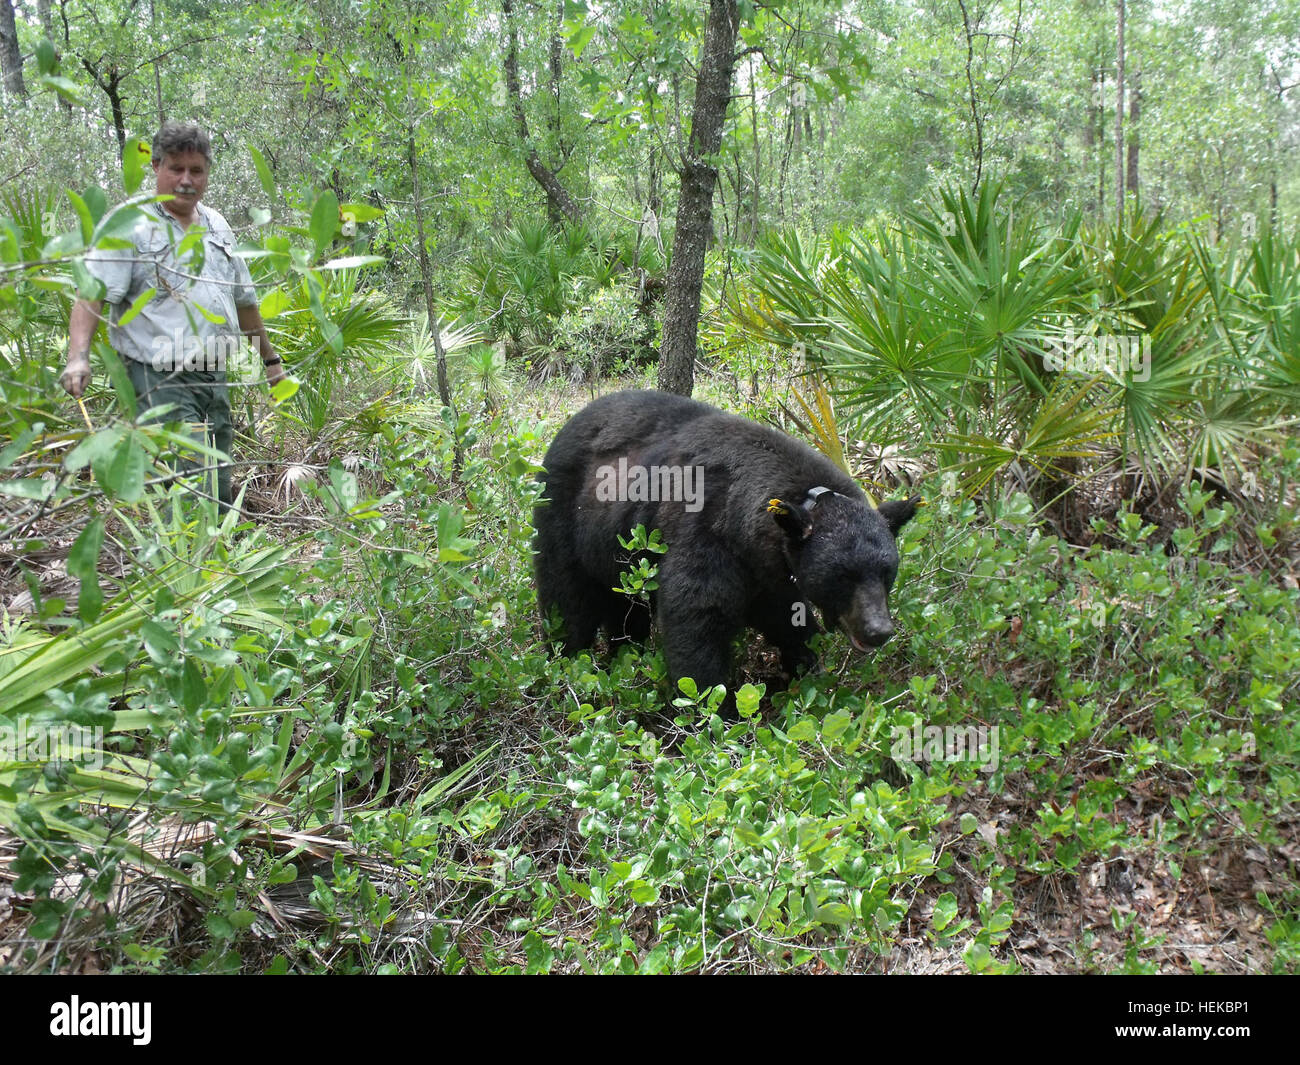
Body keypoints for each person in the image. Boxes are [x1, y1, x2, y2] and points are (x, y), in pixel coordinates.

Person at [61, 120, 285, 514]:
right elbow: (92, 292)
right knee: (185, 483)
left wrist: (270, 362)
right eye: (175, 169)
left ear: (207, 173)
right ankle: (184, 568)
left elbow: (244, 301)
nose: (186, 180)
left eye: (196, 171)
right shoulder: (128, 223)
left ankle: (213, 566)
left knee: (216, 479)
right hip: (159, 377)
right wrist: (77, 356)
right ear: (156, 168)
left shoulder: (217, 225)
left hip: (213, 375)